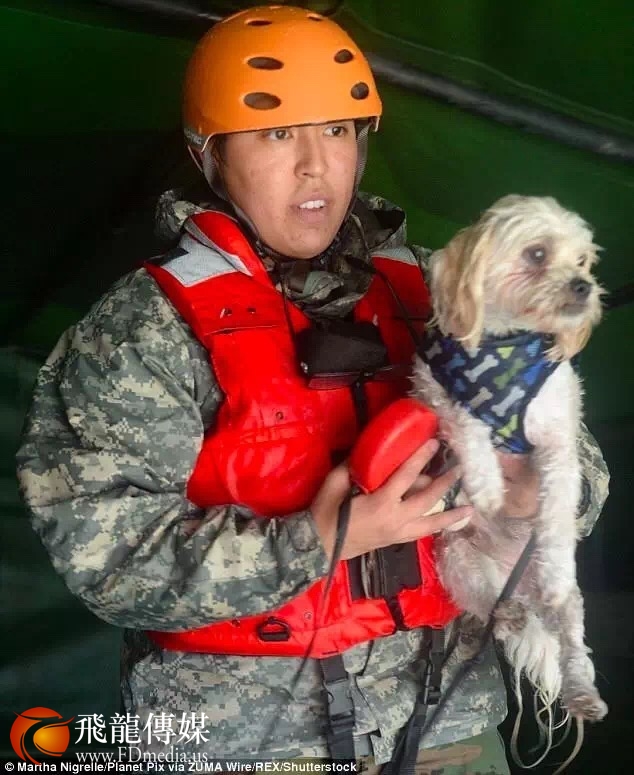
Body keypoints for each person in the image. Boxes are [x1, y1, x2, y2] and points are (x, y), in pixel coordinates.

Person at [16, 5, 609, 773]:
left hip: (452, 728)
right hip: (244, 745)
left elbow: (580, 474)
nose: (314, 165)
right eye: (274, 134)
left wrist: (531, 491)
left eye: (336, 130)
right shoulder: (142, 329)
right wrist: (323, 538)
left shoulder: (446, 288)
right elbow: (110, 561)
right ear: (208, 154)